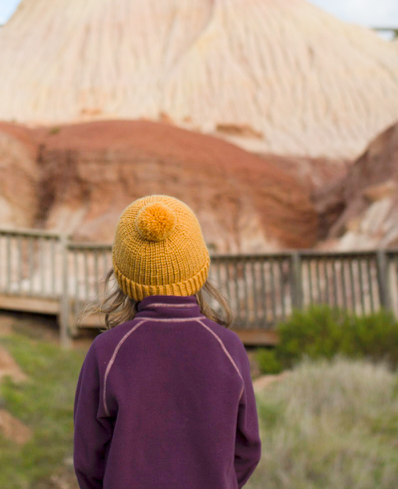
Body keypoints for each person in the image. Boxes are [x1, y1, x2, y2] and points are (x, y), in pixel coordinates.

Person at [73, 195, 260, 489]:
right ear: (199, 267)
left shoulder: (107, 352)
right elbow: (247, 449)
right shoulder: (228, 347)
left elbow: (87, 460)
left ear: (123, 275)